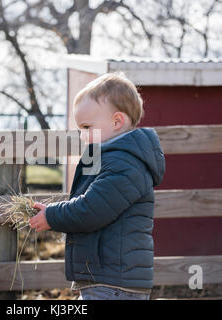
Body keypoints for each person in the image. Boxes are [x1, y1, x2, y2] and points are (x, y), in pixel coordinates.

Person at [29, 72, 165, 300]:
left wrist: (52, 215)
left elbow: (92, 209)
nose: (82, 136)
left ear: (116, 121)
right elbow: (89, 200)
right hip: (108, 278)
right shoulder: (113, 159)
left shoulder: (125, 164)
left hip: (114, 283)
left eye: (86, 127)